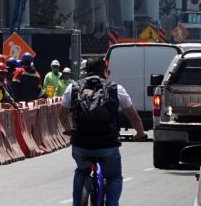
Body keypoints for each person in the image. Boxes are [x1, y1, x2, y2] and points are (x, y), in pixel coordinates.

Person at [60, 57, 147, 206]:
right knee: (114, 177)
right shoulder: (116, 88)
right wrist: (140, 134)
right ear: (105, 71)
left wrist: (69, 130)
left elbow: (62, 114)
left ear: (86, 72)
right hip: (108, 145)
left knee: (81, 171)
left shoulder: (72, 87)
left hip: (81, 144)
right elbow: (134, 117)